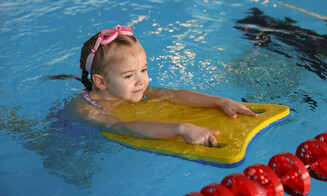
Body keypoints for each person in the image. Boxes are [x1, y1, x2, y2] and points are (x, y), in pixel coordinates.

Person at [66, 24, 258, 147]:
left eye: (144, 70)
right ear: (101, 82)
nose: (142, 80)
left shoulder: (133, 89)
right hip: (71, 139)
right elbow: (125, 127)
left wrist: (219, 101)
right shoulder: (86, 110)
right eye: (129, 75)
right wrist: (181, 128)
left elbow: (174, 95)